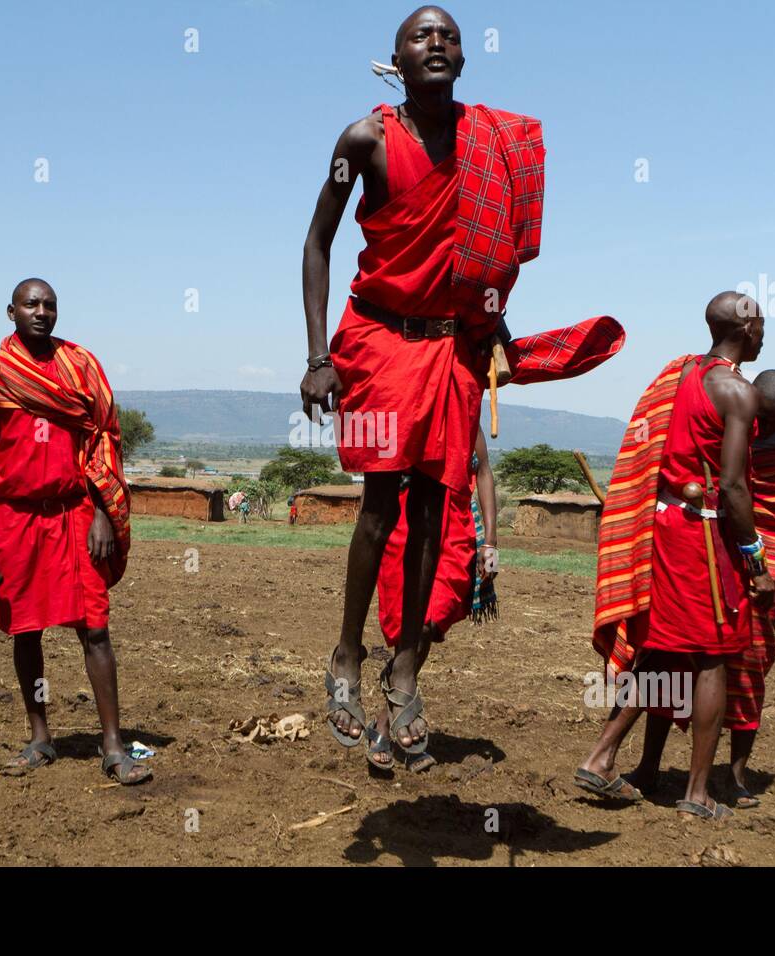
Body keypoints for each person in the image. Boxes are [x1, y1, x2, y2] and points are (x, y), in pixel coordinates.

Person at [302, 6, 545, 758]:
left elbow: (491, 258)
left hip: (450, 349)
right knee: (379, 505)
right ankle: (348, 652)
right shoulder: (364, 140)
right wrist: (319, 357)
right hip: (377, 342)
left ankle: (405, 668)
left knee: (438, 510)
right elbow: (316, 245)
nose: (435, 43)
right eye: (420, 36)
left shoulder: (493, 146)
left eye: (448, 37)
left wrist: (493, 324)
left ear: (463, 62)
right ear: (396, 60)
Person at [0, 278, 150, 785]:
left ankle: (112, 745)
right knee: (26, 629)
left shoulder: (81, 367)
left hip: (74, 510)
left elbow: (103, 437)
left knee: (95, 627)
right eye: (31, 304)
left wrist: (102, 510)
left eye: (49, 305)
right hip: (12, 517)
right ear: (10, 312)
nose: (41, 311)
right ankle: (40, 738)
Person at [576, 292, 772, 821]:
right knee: (712, 657)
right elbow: (731, 486)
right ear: (747, 329)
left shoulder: (680, 375)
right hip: (703, 539)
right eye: (762, 326)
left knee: (664, 647)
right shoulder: (737, 391)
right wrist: (755, 557)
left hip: (663, 527)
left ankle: (602, 755)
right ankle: (698, 792)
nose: (763, 336)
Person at [626, 371, 775, 807]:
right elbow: (706, 487)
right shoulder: (725, 423)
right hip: (707, 557)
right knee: (670, 654)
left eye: (772, 421)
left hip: (758, 573)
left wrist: (763, 571)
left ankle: (732, 778)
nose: (762, 429)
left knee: (747, 666)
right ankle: (649, 766)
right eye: (758, 420)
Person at [371, 425, 497, 770]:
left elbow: (483, 471)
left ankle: (386, 717)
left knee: (429, 622)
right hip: (406, 523)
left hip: (456, 528)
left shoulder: (469, 421)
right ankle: (392, 719)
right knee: (406, 626)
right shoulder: (410, 410)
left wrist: (491, 541)